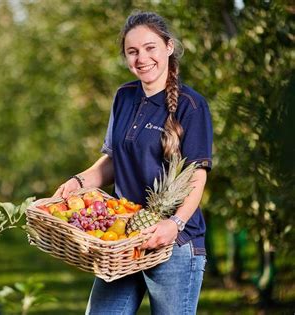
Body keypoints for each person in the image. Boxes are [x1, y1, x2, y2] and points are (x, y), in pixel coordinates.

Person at [53, 11, 213, 315]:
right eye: (133, 51)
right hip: (123, 237)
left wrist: (174, 224)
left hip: (173, 244)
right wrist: (77, 182)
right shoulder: (123, 96)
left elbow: (197, 177)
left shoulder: (192, 107)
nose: (142, 58)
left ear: (168, 47)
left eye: (150, 47)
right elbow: (112, 160)